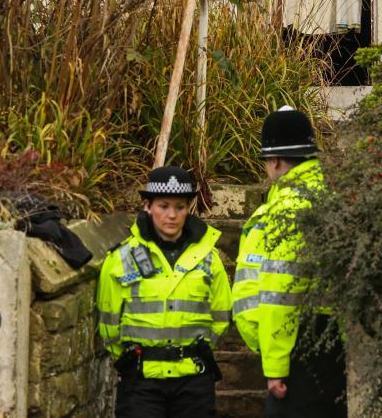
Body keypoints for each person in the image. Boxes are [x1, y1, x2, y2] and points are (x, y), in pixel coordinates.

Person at [232, 106, 347, 418]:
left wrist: (276, 366)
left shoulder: (288, 208)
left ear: (275, 160)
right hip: (329, 343)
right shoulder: (327, 198)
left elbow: (281, 295)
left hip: (298, 349)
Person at [97, 166, 231, 418]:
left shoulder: (208, 259)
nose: (172, 215)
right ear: (148, 206)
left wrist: (196, 348)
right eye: (164, 206)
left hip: (193, 380)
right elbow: (108, 322)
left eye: (180, 207)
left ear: (188, 208)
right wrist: (129, 357)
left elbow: (221, 315)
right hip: (141, 380)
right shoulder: (121, 258)